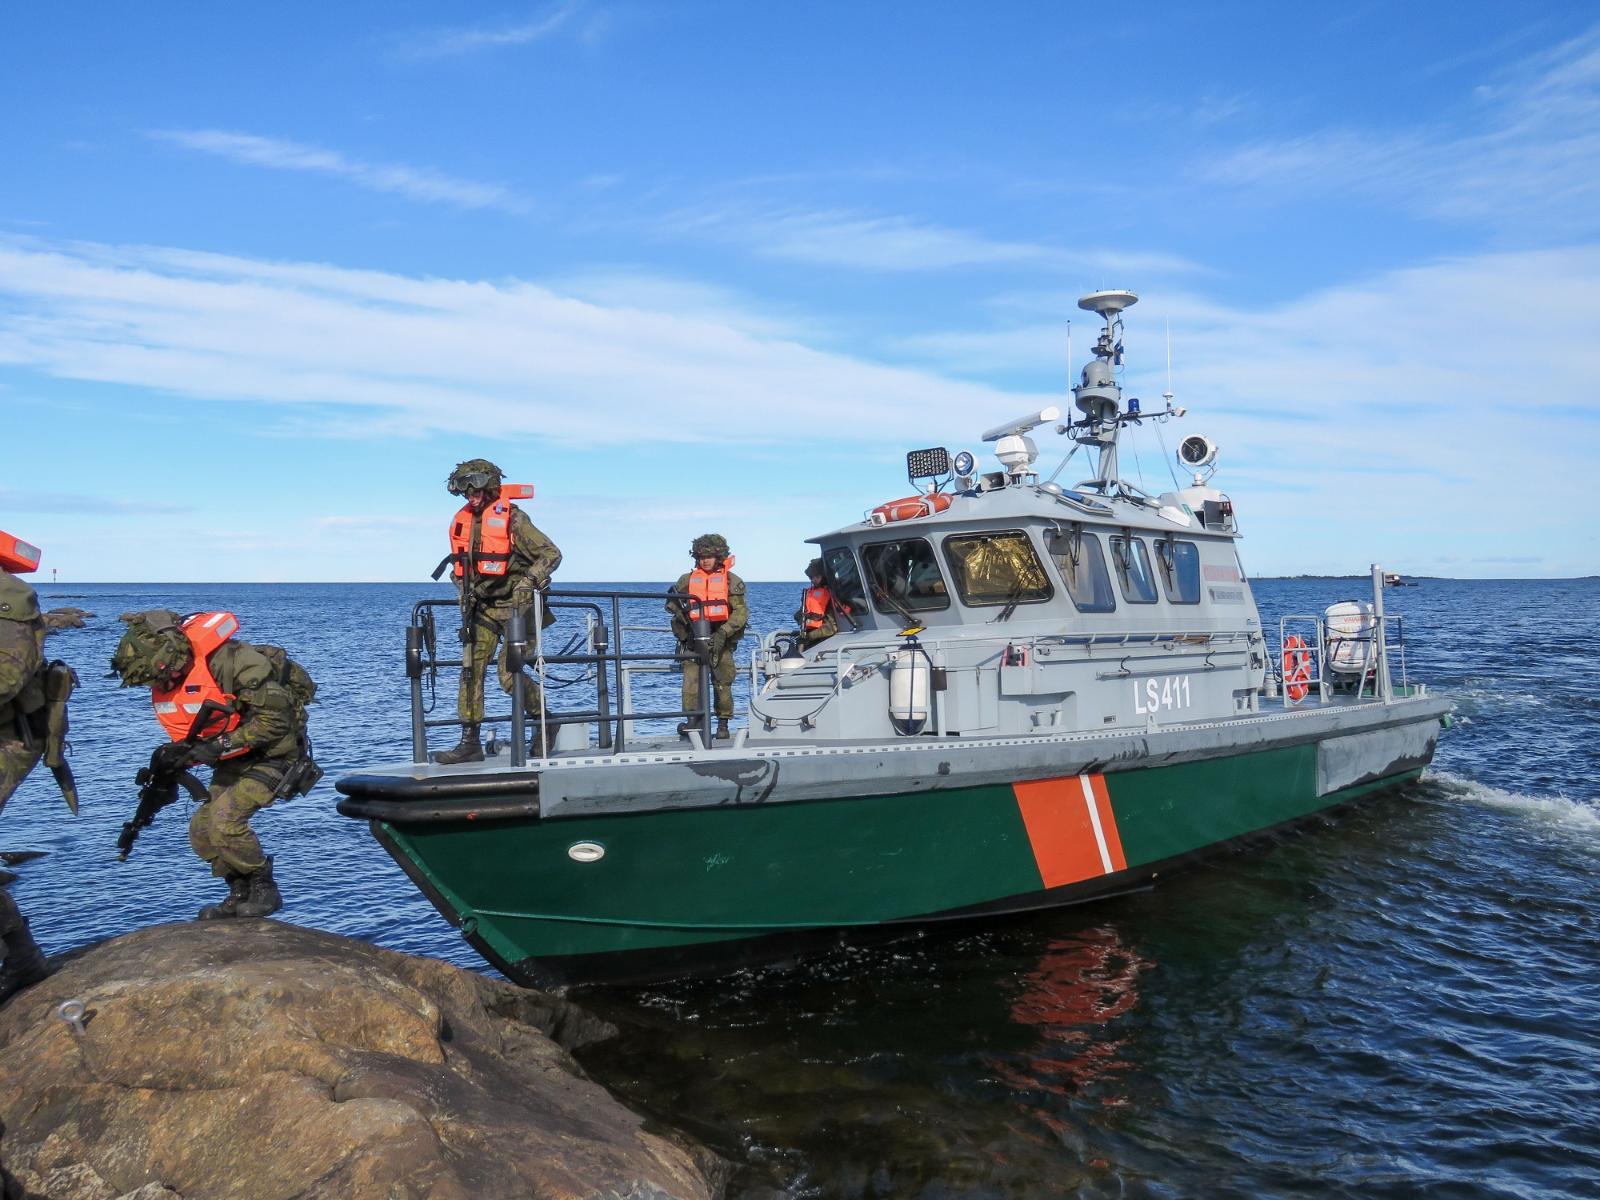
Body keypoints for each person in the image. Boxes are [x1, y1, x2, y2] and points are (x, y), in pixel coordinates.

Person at [110, 609, 319, 921]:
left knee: (225, 821)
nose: (160, 684)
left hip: (278, 755)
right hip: (235, 758)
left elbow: (275, 722)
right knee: (202, 831)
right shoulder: (173, 680)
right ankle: (239, 891)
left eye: (160, 676)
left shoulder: (235, 662)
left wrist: (219, 745)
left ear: (169, 657)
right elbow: (199, 729)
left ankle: (264, 886)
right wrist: (178, 756)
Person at [434, 458, 563, 764]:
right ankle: (470, 742)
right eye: (465, 489)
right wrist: (462, 588)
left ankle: (545, 721)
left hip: (519, 608)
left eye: (476, 487)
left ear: (490, 486)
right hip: (483, 608)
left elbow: (551, 554)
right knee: (470, 670)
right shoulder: (464, 520)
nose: (471, 495)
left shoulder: (514, 519)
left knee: (509, 675)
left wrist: (529, 582)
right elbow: (461, 565)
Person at [0, 530, 77, 1002]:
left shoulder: (10, 597)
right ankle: (23, 957)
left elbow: (11, 673)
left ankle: (23, 960)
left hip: (9, 738)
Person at [668, 533, 747, 741]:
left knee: (722, 682)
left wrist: (723, 633)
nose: (705, 560)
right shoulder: (687, 581)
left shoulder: (731, 581)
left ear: (719, 557)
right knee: (690, 682)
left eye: (710, 556)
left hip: (720, 637)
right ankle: (692, 721)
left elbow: (741, 613)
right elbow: (671, 606)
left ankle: (723, 723)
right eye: (701, 556)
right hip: (693, 638)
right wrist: (684, 621)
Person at [794, 557, 840, 649]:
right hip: (809, 639)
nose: (814, 580)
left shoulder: (831, 595)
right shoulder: (809, 593)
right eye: (812, 577)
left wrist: (809, 637)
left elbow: (831, 628)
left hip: (825, 642)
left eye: (817, 577)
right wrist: (799, 616)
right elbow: (802, 615)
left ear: (824, 576)